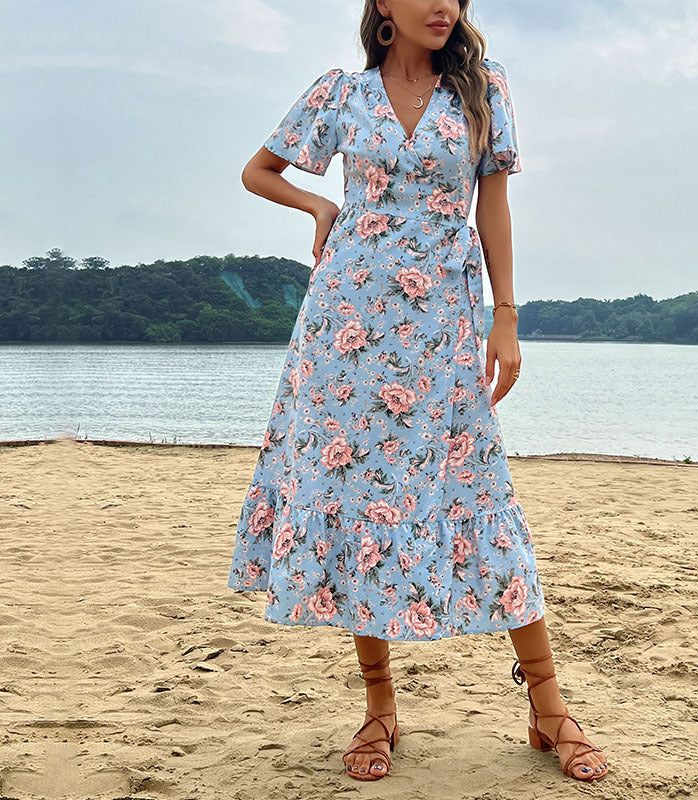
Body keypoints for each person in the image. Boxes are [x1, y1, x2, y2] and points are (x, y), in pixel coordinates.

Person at [228, 0, 609, 784]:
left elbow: (493, 205)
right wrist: (319, 202)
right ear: (383, 8)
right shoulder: (340, 93)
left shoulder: (482, 90)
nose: (447, 6)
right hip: (344, 330)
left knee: (480, 494)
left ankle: (548, 705)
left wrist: (506, 317)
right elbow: (258, 170)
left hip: (442, 325)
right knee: (362, 498)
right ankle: (379, 708)